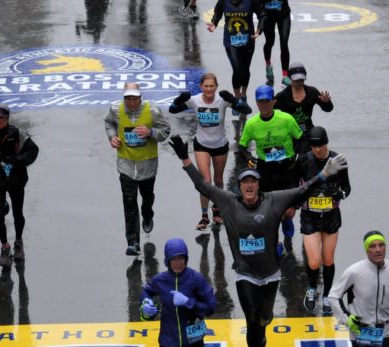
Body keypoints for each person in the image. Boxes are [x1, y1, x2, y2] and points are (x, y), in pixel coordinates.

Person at [168, 134, 347, 347]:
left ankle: (265, 319)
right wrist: (185, 158)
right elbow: (203, 186)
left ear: (258, 186)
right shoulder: (229, 203)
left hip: (271, 274)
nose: (249, 186)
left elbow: (302, 190)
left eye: (253, 182)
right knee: (252, 321)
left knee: (263, 318)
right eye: (245, 183)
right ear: (240, 188)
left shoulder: (273, 200)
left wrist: (324, 174)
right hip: (245, 275)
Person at [168, 73, 251, 230]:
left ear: (216, 87)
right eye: (206, 86)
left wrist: (234, 100)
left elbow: (247, 109)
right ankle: (204, 216)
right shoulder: (195, 100)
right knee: (206, 182)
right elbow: (173, 110)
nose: (209, 89)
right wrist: (178, 100)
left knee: (218, 181)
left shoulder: (222, 100)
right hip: (202, 145)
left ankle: (217, 210)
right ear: (201, 87)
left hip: (220, 145)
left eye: (212, 86)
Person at [103, 83, 170, 256]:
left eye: (134, 98)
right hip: (126, 165)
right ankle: (133, 242)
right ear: (123, 98)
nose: (131, 102)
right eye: (128, 98)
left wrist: (151, 133)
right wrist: (112, 138)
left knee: (147, 199)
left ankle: (147, 215)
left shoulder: (152, 110)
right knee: (129, 203)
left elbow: (165, 130)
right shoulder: (116, 109)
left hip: (147, 165)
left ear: (141, 96)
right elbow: (109, 123)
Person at [0, 103, 39, 269]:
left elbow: (33, 151)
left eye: (1, 118)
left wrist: (18, 160)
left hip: (16, 180)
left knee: (18, 213)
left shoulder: (17, 133)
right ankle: (5, 246)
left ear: (7, 118)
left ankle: (18, 241)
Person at [239, 84, 303, 244]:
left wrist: (297, 157)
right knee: (267, 209)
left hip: (286, 168)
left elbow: (301, 138)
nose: (264, 105)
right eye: (260, 102)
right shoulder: (252, 124)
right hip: (265, 169)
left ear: (274, 101)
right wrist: (249, 157)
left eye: (267, 101)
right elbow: (242, 145)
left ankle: (287, 221)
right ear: (256, 103)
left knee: (287, 212)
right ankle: (273, 240)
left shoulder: (286, 119)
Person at [296, 126, 350, 314]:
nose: (317, 149)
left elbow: (347, 188)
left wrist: (339, 193)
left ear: (327, 143)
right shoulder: (303, 160)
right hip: (309, 216)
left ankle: (327, 295)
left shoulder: (338, 161)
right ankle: (311, 289)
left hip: (330, 217)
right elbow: (295, 186)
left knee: (328, 260)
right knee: (313, 261)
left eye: (320, 145)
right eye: (313, 145)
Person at [207, 0, 263, 112]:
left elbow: (262, 15)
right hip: (230, 41)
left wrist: (259, 30)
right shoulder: (223, 2)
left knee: (245, 69)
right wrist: (214, 23)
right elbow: (217, 13)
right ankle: (237, 100)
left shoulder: (251, 1)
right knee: (237, 69)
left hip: (248, 40)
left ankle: (244, 95)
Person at [274, 62, 334, 153]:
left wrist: (326, 102)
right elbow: (268, 111)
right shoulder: (283, 96)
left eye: (301, 80)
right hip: (290, 132)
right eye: (296, 80)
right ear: (290, 78)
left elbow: (328, 108)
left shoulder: (312, 92)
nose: (299, 82)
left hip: (308, 130)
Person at [260, 0, 292, 87]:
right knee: (270, 42)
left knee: (284, 43)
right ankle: (268, 65)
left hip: (283, 15)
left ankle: (285, 76)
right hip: (268, 16)